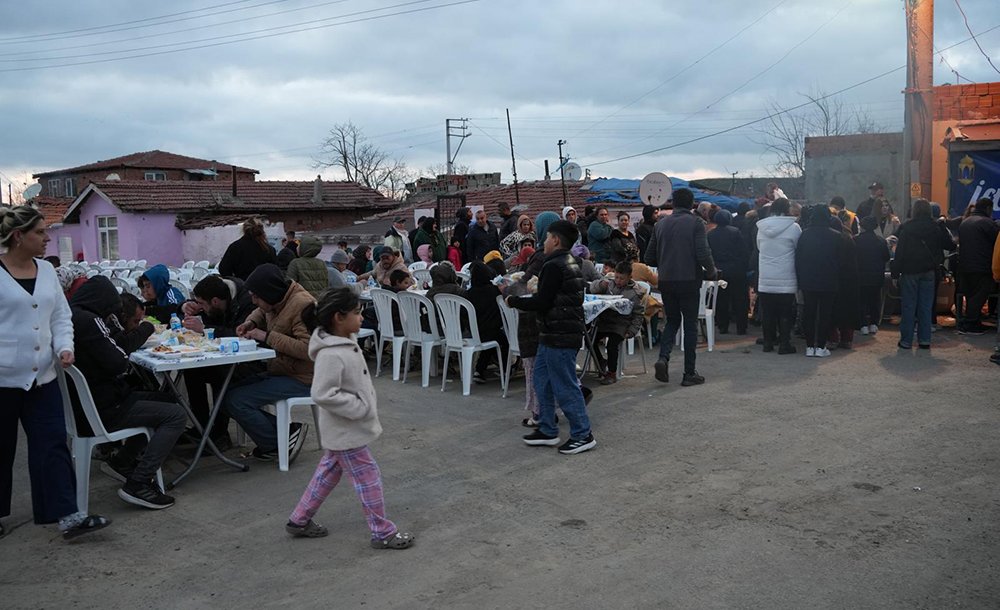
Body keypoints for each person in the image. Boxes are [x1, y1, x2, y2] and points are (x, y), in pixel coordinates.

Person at [0, 205, 111, 540]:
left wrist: (65, 346)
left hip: (43, 377)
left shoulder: (47, 272)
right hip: (3, 380)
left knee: (52, 444)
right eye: (39, 232)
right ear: (18, 236)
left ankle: (67, 516)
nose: (47, 238)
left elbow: (61, 317)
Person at [284, 288, 414, 549]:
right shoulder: (331, 353)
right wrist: (358, 407)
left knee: (328, 471)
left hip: (343, 430)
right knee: (368, 477)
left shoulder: (343, 341)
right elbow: (322, 392)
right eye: (356, 313)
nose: (361, 318)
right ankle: (382, 532)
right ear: (338, 318)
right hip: (346, 429)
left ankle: (299, 519)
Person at [70, 276, 187, 509]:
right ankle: (139, 482)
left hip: (90, 405)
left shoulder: (72, 317)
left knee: (167, 398)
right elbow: (119, 362)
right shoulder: (89, 322)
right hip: (104, 409)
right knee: (176, 415)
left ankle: (122, 461)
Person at [507, 220, 596, 455]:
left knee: (565, 386)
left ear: (555, 240)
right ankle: (547, 428)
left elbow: (542, 301)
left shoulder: (555, 265)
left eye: (546, 237)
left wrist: (514, 301)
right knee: (542, 380)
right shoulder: (567, 262)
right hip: (552, 334)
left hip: (560, 335)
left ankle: (582, 434)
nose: (543, 242)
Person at [225, 264, 315, 462]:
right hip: (282, 370)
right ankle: (289, 431)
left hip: (304, 377)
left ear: (269, 293)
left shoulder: (302, 305)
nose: (253, 300)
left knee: (237, 400)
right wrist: (251, 323)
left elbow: (309, 349)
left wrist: (266, 336)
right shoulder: (277, 300)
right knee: (226, 392)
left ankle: (276, 443)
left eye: (256, 296)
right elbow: (263, 311)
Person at [644, 189, 717, 384]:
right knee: (690, 325)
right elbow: (703, 252)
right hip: (689, 279)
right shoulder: (696, 223)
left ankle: (663, 358)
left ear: (673, 203)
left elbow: (648, 257)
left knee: (672, 322)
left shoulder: (660, 224)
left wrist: (666, 259)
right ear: (692, 204)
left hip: (666, 281)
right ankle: (689, 373)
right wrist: (711, 272)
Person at [179, 274, 256, 447]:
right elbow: (192, 308)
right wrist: (186, 306)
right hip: (223, 356)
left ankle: (220, 433)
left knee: (220, 372)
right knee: (192, 369)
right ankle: (202, 426)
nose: (201, 309)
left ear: (214, 301)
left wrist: (205, 328)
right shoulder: (218, 296)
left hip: (249, 361)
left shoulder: (246, 303)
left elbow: (239, 335)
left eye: (202, 304)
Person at [892, 199, 953, 349]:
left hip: (909, 271)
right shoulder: (935, 227)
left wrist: (895, 273)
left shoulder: (906, 227)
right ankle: (925, 340)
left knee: (908, 306)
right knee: (925, 306)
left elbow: (900, 252)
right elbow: (949, 245)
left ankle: (906, 341)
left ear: (914, 211)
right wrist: (943, 225)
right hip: (929, 271)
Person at [755, 198, 801, 353]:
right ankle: (784, 344)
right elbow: (798, 248)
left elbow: (759, 248)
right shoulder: (794, 227)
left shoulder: (762, 227)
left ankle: (768, 343)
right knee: (785, 312)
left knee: (768, 312)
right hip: (786, 276)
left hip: (766, 276)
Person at [589, 261, 646, 385]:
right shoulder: (610, 284)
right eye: (617, 277)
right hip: (605, 320)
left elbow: (638, 314)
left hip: (621, 323)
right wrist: (601, 283)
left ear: (629, 277)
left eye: (622, 278)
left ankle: (612, 373)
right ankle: (600, 362)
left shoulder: (635, 293)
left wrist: (631, 331)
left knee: (612, 345)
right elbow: (592, 288)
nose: (618, 281)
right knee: (590, 339)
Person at [795, 206, 841, 357]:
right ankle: (821, 346)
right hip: (829, 280)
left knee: (809, 313)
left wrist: (800, 279)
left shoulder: (805, 235)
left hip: (808, 280)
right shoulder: (836, 236)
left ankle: (809, 346)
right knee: (825, 314)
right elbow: (841, 261)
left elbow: (798, 258)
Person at [956, 198, 999, 335]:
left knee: (970, 295)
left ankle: (968, 321)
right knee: (979, 295)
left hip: (964, 266)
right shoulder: (987, 223)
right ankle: (971, 324)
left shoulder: (965, 222)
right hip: (982, 266)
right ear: (988, 209)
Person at [707, 209, 749, 335]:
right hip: (736, 270)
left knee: (721, 300)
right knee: (740, 299)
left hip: (719, 271)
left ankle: (722, 326)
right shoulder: (736, 232)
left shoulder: (710, 234)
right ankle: (741, 327)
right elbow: (743, 252)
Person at [465, 261, 507, 384]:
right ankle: (506, 369)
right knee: (503, 342)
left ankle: (479, 370)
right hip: (492, 329)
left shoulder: (470, 293)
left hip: (475, 332)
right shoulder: (494, 291)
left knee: (488, 343)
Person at [854, 215, 891, 335]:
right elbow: (886, 257)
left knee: (861, 300)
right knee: (875, 299)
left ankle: (863, 324)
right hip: (876, 276)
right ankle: (874, 324)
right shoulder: (881, 241)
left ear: (863, 227)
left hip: (861, 276)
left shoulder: (856, 240)